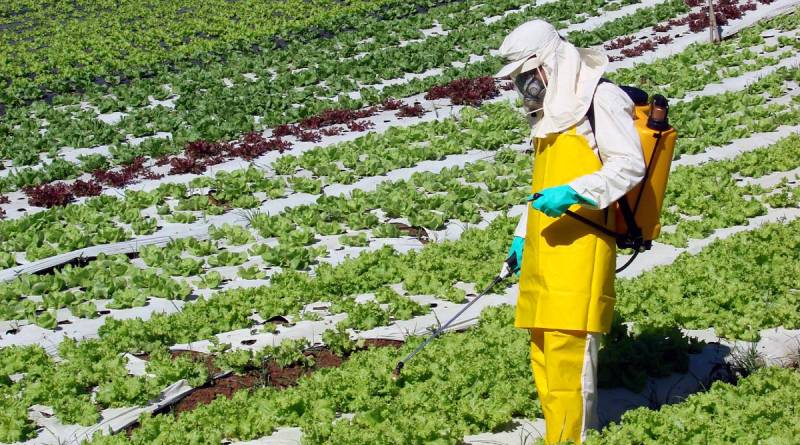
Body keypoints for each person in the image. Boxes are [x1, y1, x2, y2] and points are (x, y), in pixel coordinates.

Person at [495, 20, 646, 444]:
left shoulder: (601, 98)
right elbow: (542, 188)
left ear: (550, 63)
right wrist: (524, 234)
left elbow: (629, 165)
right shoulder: (552, 116)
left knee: (571, 356)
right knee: (544, 353)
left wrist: (574, 193)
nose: (525, 86)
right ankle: (557, 437)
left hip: (581, 247)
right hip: (546, 249)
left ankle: (574, 439)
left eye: (528, 75)